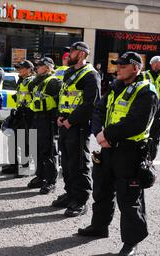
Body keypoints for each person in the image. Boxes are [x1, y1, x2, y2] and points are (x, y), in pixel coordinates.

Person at [78, 52, 159, 256]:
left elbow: (137, 122)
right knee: (102, 189)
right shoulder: (115, 87)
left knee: (129, 199)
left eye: (123, 66)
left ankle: (131, 241)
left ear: (135, 68)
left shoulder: (146, 91)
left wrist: (108, 134)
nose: (118, 69)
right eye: (117, 65)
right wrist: (98, 133)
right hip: (108, 148)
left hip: (130, 151)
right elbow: (98, 109)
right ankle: (99, 226)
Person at [52, 41, 101, 217]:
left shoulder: (91, 75)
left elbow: (91, 104)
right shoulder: (69, 72)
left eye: (71, 52)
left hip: (77, 126)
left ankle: (80, 201)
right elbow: (63, 96)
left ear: (81, 54)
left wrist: (71, 120)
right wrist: (59, 115)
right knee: (66, 163)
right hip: (64, 123)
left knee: (79, 164)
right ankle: (70, 194)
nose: (68, 55)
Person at [27, 57, 62, 194]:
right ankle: (40, 176)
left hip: (47, 120)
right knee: (36, 149)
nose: (37, 67)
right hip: (36, 118)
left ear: (48, 67)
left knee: (47, 151)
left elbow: (58, 103)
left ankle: (51, 181)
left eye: (40, 66)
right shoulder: (37, 81)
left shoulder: (54, 82)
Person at [1, 60, 35, 177]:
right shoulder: (22, 80)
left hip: (28, 115)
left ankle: (26, 167)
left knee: (25, 142)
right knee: (13, 140)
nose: (19, 70)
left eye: (21, 68)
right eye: (18, 68)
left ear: (29, 70)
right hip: (19, 114)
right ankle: (13, 165)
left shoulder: (32, 81)